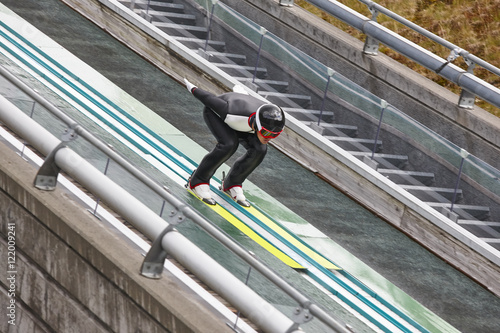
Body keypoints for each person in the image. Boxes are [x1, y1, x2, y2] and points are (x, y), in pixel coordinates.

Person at [183, 78, 285, 207]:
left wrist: (264, 132)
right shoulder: (231, 112)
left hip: (246, 125)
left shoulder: (263, 120)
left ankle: (232, 183)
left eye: (274, 135)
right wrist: (191, 86)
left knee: (260, 149)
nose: (269, 137)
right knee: (229, 144)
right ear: (258, 125)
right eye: (266, 133)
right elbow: (208, 99)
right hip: (218, 115)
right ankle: (198, 181)